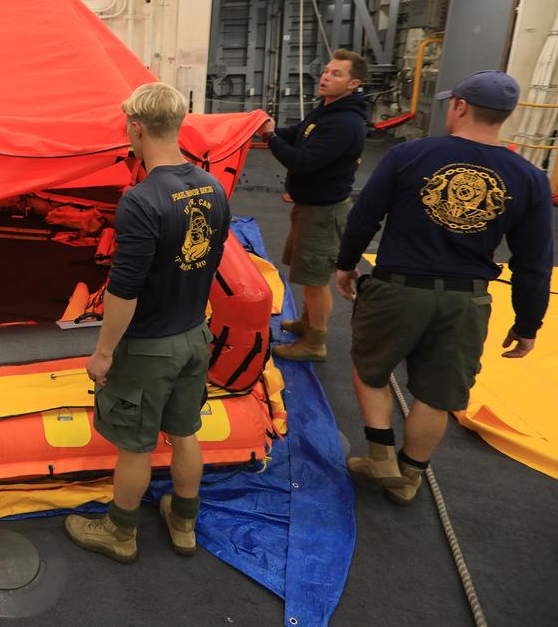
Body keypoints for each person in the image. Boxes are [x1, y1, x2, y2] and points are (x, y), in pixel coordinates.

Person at [335, 70, 551, 505]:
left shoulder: (410, 154)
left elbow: (365, 216)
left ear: (460, 106)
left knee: (371, 370)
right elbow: (534, 261)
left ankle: (380, 455)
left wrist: (345, 265)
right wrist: (529, 322)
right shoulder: (529, 177)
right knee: (436, 394)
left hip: (398, 289)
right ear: (505, 116)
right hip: (465, 299)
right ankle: (410, 477)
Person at [65, 82, 230, 563]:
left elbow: (123, 290)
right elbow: (211, 260)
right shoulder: (212, 186)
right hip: (193, 334)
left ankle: (120, 532)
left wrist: (103, 352)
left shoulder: (141, 200)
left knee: (135, 447)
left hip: (150, 345)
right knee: (184, 432)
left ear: (135, 128)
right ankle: (183, 523)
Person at [256, 49, 369, 362]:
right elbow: (295, 135)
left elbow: (302, 161)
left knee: (315, 280)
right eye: (327, 70)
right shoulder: (326, 111)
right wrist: (268, 130)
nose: (326, 77)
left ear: (352, 83)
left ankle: (315, 342)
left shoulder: (345, 123)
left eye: (336, 74)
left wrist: (269, 136)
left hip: (323, 213)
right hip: (311, 208)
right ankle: (308, 324)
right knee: (308, 276)